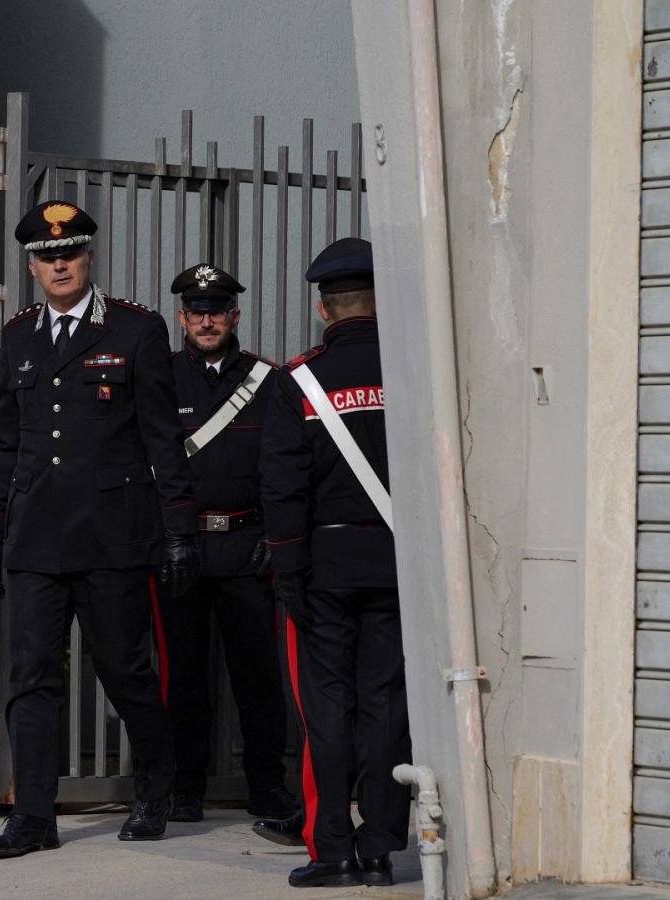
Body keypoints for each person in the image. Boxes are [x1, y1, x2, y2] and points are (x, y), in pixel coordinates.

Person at [0, 201, 200, 859]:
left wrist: (179, 528)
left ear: (89, 256)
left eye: (69, 251)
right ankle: (34, 818)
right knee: (31, 678)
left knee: (125, 672)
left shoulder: (135, 330)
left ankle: (156, 788)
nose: (59, 262)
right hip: (35, 539)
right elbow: (5, 442)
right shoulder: (17, 336)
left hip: (112, 537)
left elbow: (163, 437)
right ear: (33, 266)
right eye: (47, 256)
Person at [257, 238, 410, 888]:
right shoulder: (411, 371)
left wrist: (287, 572)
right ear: (382, 300)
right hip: (398, 562)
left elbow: (282, 486)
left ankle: (331, 850)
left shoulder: (300, 381)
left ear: (324, 308)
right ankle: (380, 849)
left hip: (321, 566)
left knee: (326, 708)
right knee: (385, 706)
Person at [160, 263, 301, 833]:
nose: (207, 320)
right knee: (183, 678)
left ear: (235, 316)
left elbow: (287, 466)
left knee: (259, 678)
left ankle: (267, 789)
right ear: (182, 318)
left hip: (247, 547)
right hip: (182, 550)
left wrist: (274, 532)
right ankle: (183, 789)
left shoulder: (270, 382)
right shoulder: (161, 379)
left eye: (217, 310)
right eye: (197, 311)